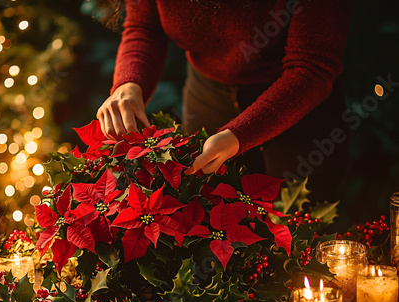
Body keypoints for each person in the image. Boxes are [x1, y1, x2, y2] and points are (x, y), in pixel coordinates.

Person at [96, 0, 351, 202]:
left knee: (296, 236)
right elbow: (146, 28)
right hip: (207, 94)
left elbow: (311, 68)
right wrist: (129, 83)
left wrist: (241, 134)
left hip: (295, 107)